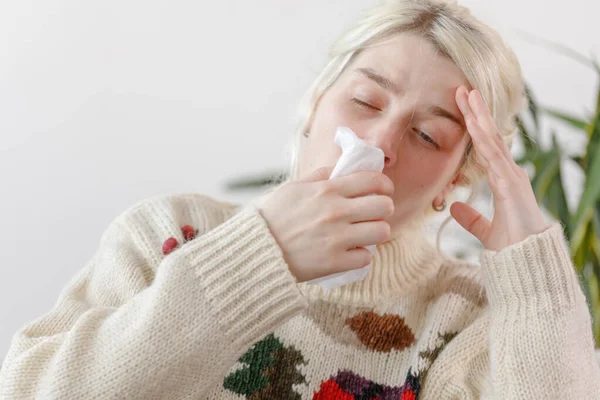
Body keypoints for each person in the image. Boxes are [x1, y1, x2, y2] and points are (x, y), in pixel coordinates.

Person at [1, 0, 599, 398]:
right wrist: (256, 258)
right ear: (315, 104)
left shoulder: (463, 317)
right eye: (366, 101)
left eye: (427, 135)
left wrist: (536, 281)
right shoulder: (169, 235)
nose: (379, 143)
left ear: (454, 179)